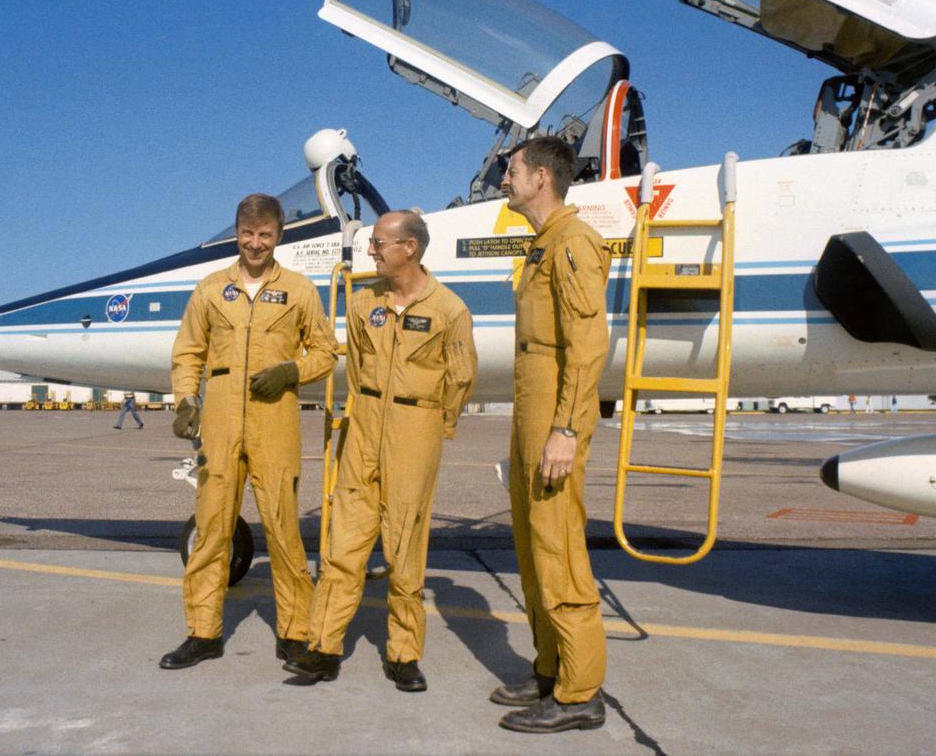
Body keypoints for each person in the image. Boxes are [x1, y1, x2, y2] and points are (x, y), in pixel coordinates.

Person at [285, 210, 476, 692]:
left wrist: (433, 425)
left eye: (378, 243)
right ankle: (323, 648)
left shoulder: (450, 310)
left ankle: (403, 655)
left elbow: (461, 378)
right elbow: (364, 362)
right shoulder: (362, 301)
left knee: (405, 549)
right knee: (344, 544)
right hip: (364, 425)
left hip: (416, 429)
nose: (370, 250)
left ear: (409, 248)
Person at [160, 193, 338, 670]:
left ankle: (294, 633)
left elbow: (325, 352)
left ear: (279, 237)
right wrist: (184, 401)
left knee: (283, 530)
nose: (255, 243)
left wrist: (290, 372)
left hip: (274, 421)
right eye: (248, 234)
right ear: (237, 232)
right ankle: (202, 632)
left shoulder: (299, 290)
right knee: (212, 529)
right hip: (219, 424)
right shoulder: (211, 288)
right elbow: (187, 352)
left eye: (265, 235)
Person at [488, 136, 611, 733]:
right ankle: (549, 669)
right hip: (529, 404)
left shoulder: (573, 243)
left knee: (558, 544)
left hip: (553, 413)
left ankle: (580, 690)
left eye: (511, 171)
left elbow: (587, 347)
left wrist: (564, 428)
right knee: (533, 542)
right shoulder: (543, 245)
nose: (503, 180)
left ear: (540, 178)